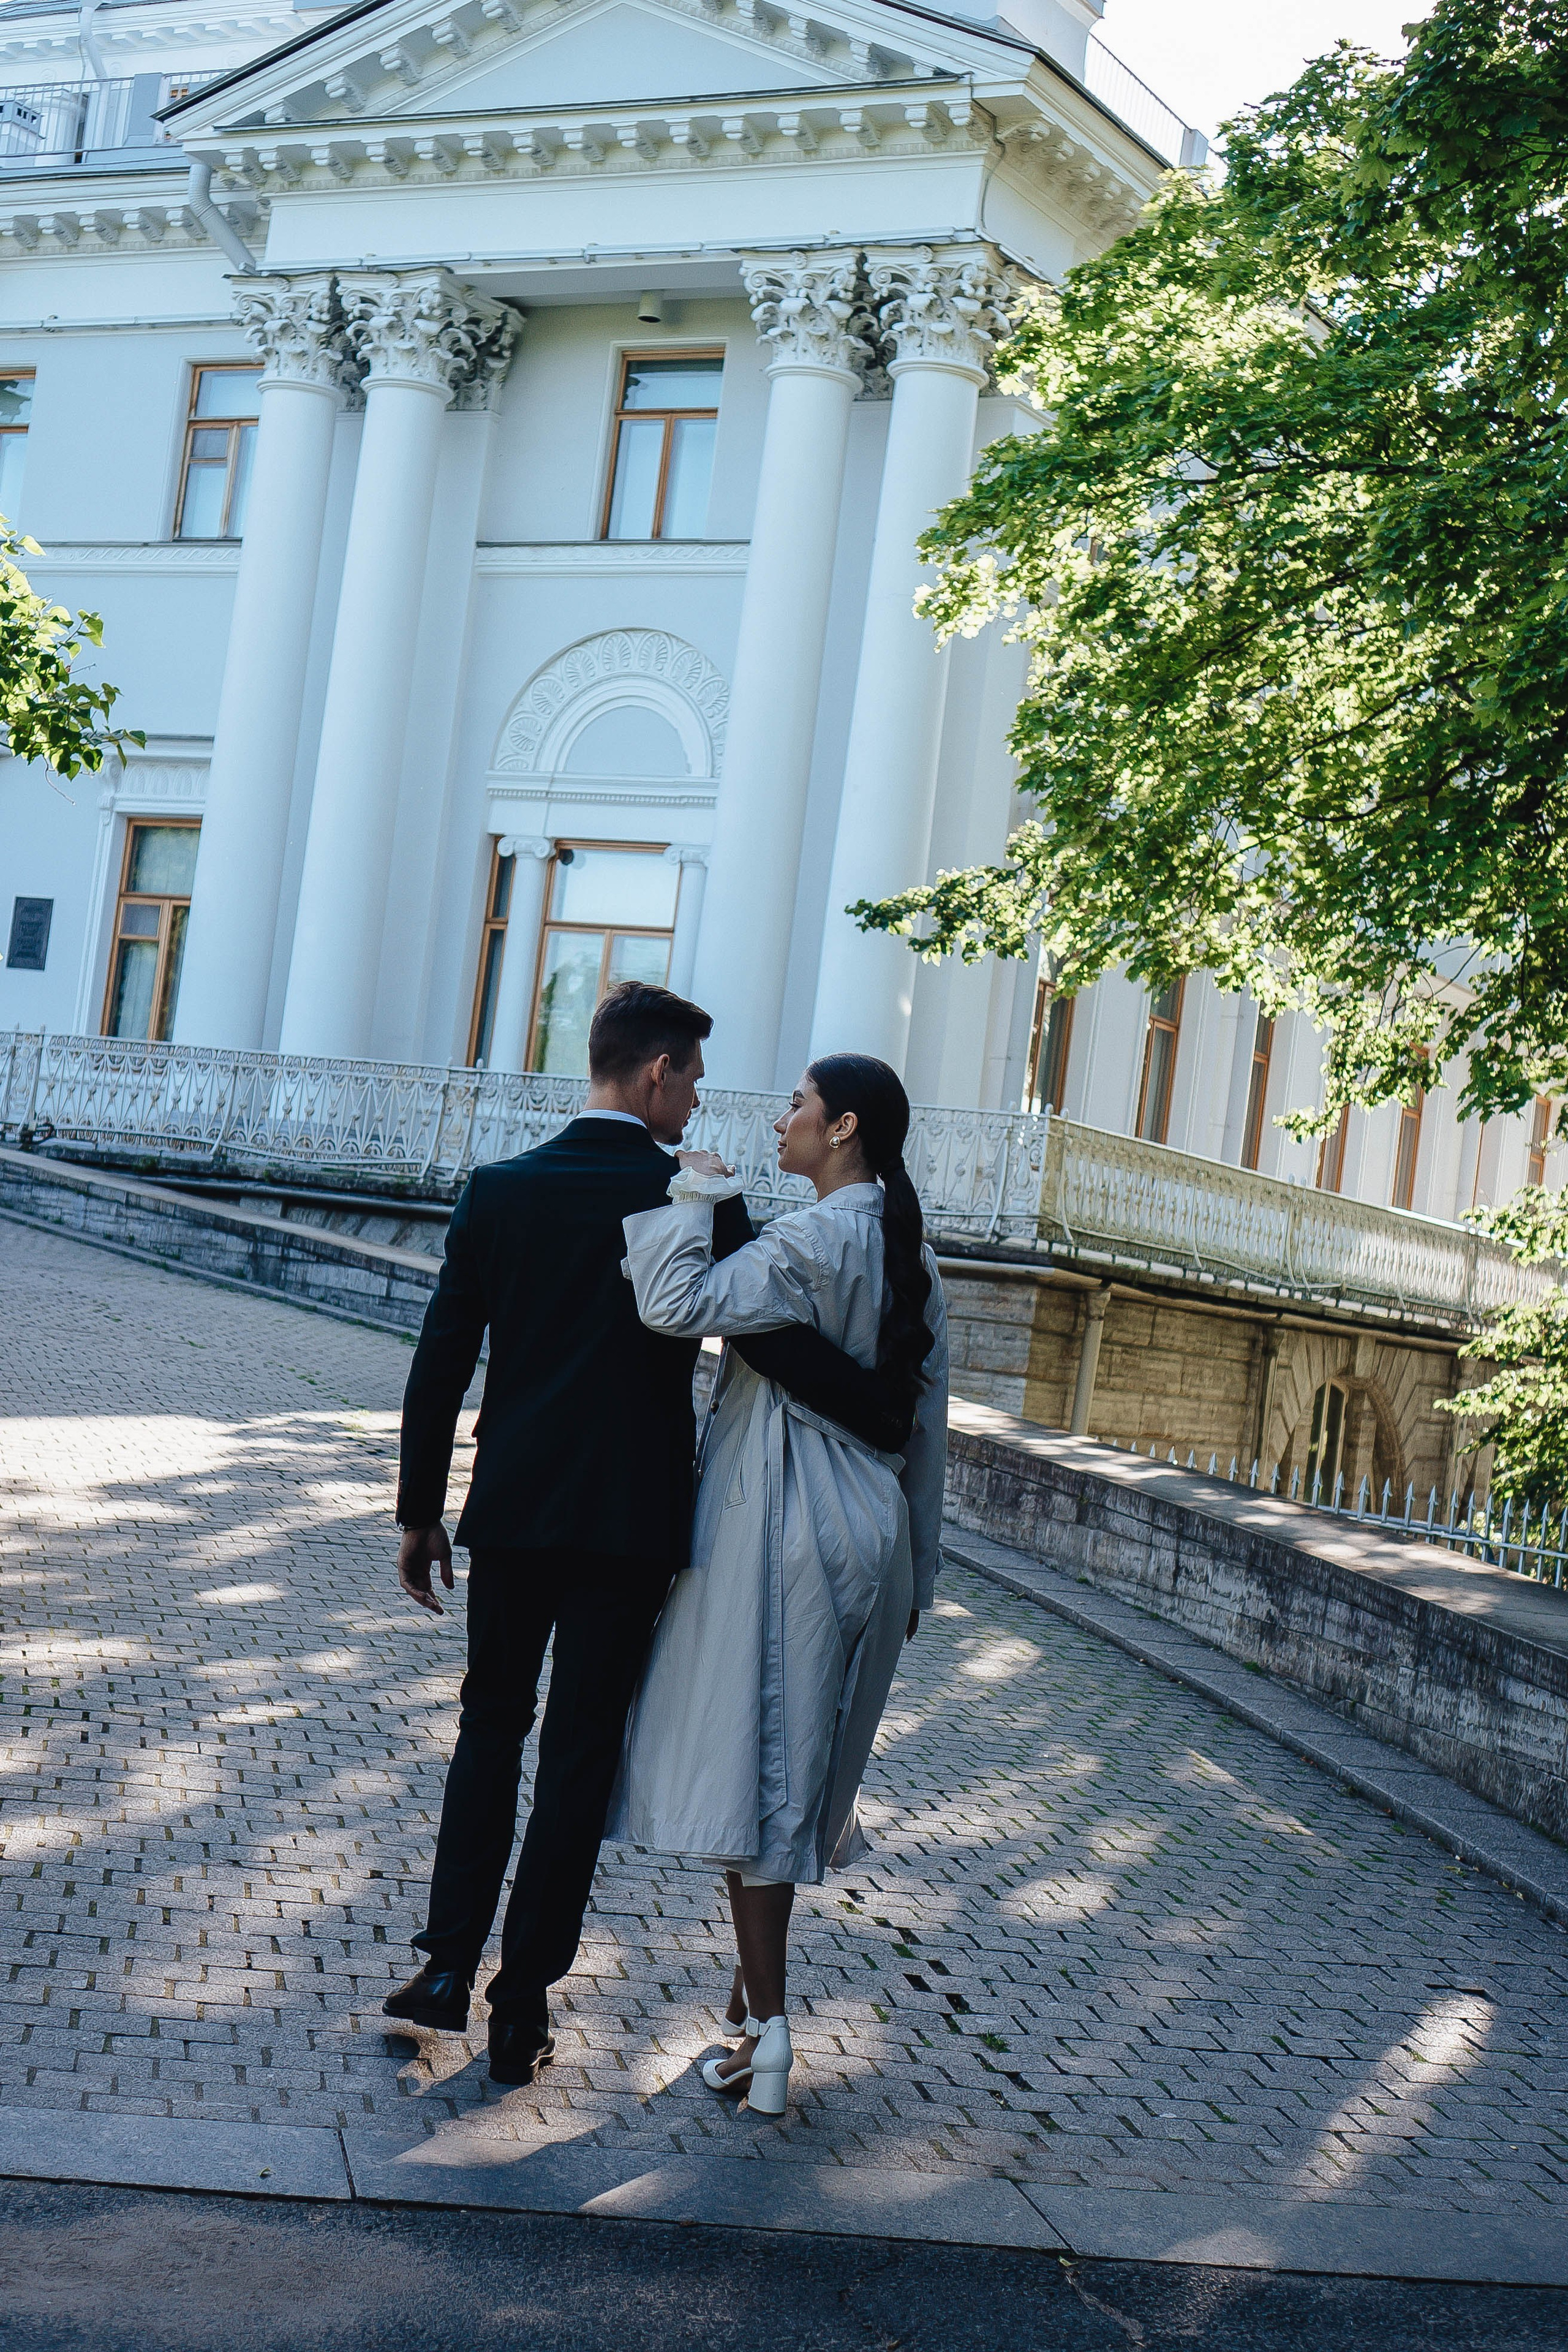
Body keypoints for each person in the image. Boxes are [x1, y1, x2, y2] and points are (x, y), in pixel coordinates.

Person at [385, 984, 909, 2086]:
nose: (701, 1102)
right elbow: (767, 1340)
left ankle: (444, 1966)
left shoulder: (501, 1189)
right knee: (579, 1756)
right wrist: (879, 1413)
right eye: (695, 1079)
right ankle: (522, 2006)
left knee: (489, 1728)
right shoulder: (697, 1202)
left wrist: (419, 1509)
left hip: (517, 1509)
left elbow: (442, 1360)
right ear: (659, 1072)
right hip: (633, 1525)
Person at [611, 1053, 949, 2116]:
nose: (779, 1121)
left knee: (754, 1773)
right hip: (870, 1530)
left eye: (797, 1105)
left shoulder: (809, 1241)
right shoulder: (910, 1253)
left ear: (842, 1128)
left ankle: (770, 2031)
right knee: (792, 1766)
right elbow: (927, 1428)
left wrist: (692, 1193)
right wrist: (918, 1572)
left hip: (782, 1513)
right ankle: (748, 2016)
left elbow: (672, 1302)